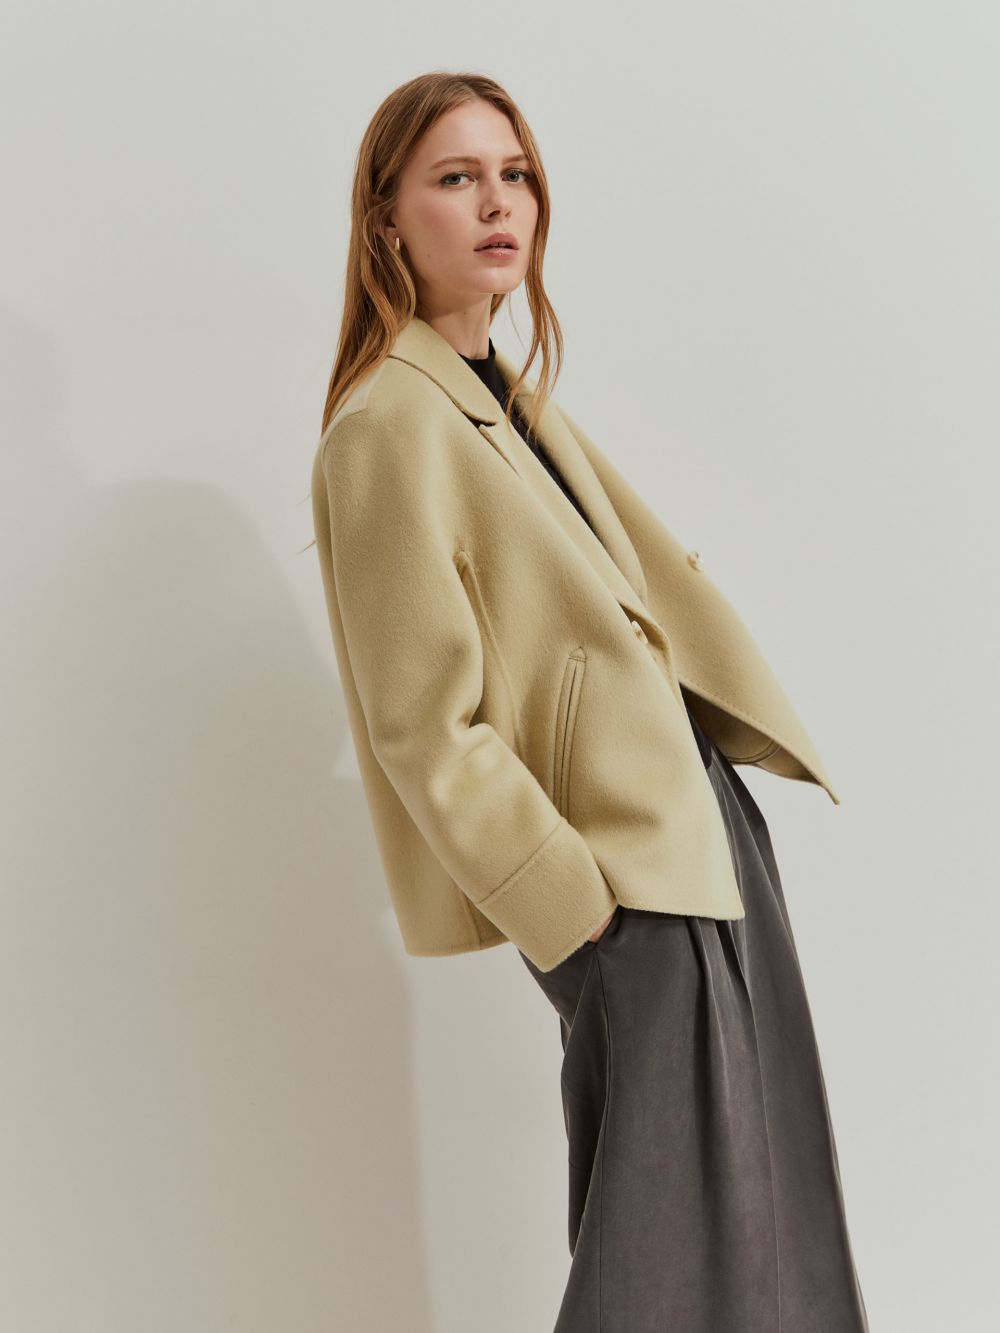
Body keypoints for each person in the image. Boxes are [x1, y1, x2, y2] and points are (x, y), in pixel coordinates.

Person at [309, 70, 870, 1332]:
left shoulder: (503, 398)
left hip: (695, 840)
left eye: (514, 175)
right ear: (386, 218)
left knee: (762, 1205)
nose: (497, 204)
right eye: (456, 178)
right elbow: (420, 723)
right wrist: (572, 903)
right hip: (619, 877)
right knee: (667, 1241)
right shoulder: (388, 423)